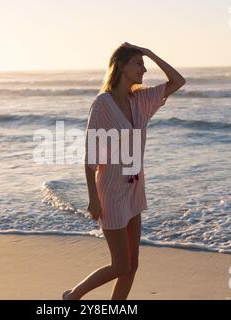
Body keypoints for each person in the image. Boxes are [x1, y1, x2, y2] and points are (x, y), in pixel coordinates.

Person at [63, 42, 186, 300]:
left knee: (133, 262)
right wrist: (93, 198)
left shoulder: (139, 99)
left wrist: (149, 52)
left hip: (135, 189)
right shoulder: (102, 104)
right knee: (120, 264)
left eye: (144, 64)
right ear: (121, 66)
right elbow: (90, 155)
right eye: (139, 63)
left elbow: (178, 80)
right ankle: (72, 297)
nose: (144, 69)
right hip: (110, 191)